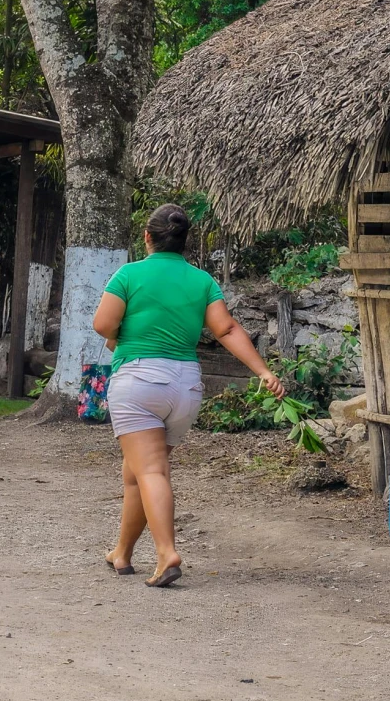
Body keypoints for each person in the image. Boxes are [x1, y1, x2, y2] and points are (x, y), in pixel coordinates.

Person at [91, 203, 284, 587]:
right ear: (183, 242)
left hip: (140, 380)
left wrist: (123, 335)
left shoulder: (129, 274)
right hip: (186, 387)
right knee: (138, 473)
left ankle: (167, 554)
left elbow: (103, 325)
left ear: (147, 237)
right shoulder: (202, 281)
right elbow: (226, 330)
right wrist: (263, 371)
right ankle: (122, 553)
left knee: (150, 471)